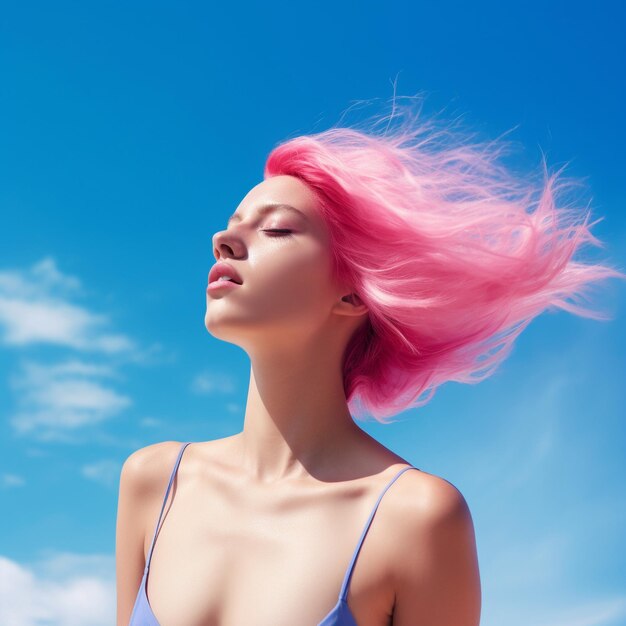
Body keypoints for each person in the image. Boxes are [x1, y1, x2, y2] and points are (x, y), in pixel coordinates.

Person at [116, 97, 624, 626]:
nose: (223, 241)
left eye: (277, 229)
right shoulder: (154, 483)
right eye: (232, 225)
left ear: (355, 295)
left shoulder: (416, 519)